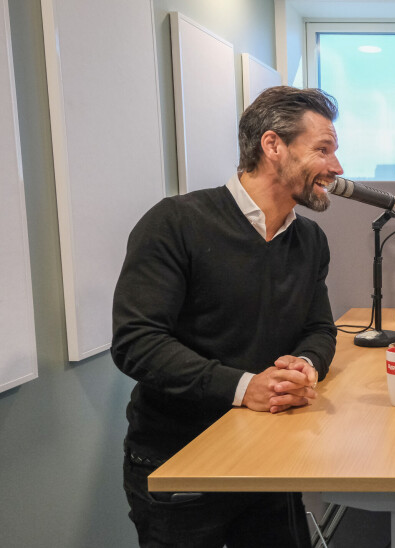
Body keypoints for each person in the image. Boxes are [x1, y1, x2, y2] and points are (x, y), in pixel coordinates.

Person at [112, 86, 343, 547]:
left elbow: (318, 328)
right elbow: (136, 342)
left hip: (269, 458)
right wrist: (244, 387)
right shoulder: (175, 222)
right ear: (273, 145)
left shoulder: (311, 241)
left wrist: (304, 366)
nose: (336, 168)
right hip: (181, 463)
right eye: (323, 149)